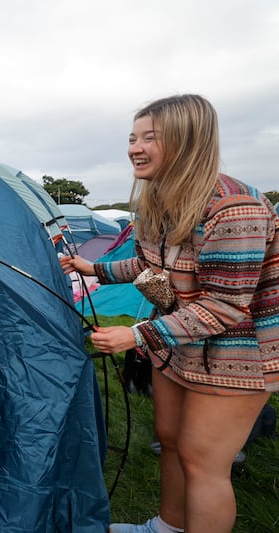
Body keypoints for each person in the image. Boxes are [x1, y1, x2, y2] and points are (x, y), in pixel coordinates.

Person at [60, 94, 279, 533]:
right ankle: (168, 527)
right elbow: (148, 267)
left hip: (239, 356)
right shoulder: (161, 202)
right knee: (173, 442)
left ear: (186, 141)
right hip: (180, 344)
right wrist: (93, 268)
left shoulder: (234, 207)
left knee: (203, 461)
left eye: (149, 138)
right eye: (132, 138)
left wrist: (137, 336)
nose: (134, 148)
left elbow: (224, 305)